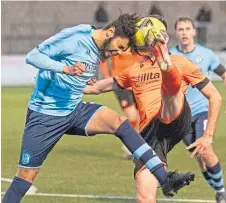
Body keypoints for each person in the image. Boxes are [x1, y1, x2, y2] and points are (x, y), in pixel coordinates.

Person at [2, 13, 195, 203]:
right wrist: (65, 69)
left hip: (74, 110)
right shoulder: (76, 37)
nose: (118, 53)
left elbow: (82, 70)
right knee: (24, 180)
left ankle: (164, 178)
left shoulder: (99, 46)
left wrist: (85, 79)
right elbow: (33, 56)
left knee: (120, 123)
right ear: (110, 31)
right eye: (119, 47)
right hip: (45, 116)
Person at [84, 15, 223, 203]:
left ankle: (166, 68)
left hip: (174, 116)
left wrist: (207, 136)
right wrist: (63, 79)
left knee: (169, 95)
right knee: (144, 197)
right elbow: (96, 88)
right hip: (150, 134)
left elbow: (215, 96)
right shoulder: (134, 70)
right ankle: (165, 69)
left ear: (165, 39)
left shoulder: (182, 62)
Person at [170, 17, 226, 203]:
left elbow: (223, 73)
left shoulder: (207, 54)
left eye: (187, 28)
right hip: (181, 116)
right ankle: (217, 188)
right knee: (199, 158)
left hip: (202, 110)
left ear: (194, 31)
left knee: (205, 150)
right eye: (180, 29)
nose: (184, 32)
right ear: (176, 32)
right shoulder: (170, 56)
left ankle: (221, 191)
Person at [99, 50, 142, 160]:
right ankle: (129, 145)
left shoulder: (138, 41)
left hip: (138, 84)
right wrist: (107, 77)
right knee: (132, 116)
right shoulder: (117, 42)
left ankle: (135, 145)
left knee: (138, 118)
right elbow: (102, 58)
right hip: (121, 84)